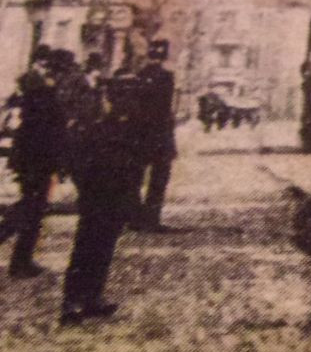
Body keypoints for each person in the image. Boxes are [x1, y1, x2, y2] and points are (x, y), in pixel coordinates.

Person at [58, 62, 146, 325]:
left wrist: (131, 194)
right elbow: (75, 156)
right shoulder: (93, 119)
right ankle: (71, 301)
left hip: (116, 195)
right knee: (85, 248)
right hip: (96, 194)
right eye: (123, 94)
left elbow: (138, 162)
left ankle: (93, 297)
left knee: (105, 247)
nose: (127, 100)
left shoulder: (132, 126)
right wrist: (85, 187)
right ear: (113, 95)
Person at [0, 46, 68, 277]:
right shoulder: (42, 93)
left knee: (31, 208)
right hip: (36, 160)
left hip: (32, 159)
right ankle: (20, 262)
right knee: (32, 209)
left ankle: (22, 260)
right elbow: (46, 131)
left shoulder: (35, 91)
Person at [129, 40, 178, 233]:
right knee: (159, 178)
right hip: (159, 134)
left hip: (139, 134)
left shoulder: (139, 76)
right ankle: (151, 219)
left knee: (135, 176)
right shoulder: (167, 77)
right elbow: (165, 108)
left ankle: (134, 217)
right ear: (164, 56)